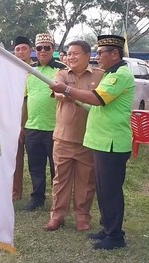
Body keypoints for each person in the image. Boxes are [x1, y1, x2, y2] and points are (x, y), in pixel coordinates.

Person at [51, 34, 135, 250]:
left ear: (114, 54)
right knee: (103, 189)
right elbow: (96, 106)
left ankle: (115, 236)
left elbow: (97, 99)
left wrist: (68, 90)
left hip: (112, 142)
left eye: (101, 53)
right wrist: (75, 98)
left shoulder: (120, 75)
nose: (98, 57)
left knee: (111, 191)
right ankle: (107, 228)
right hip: (102, 142)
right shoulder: (110, 74)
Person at [44, 40, 103, 232]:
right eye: (69, 54)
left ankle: (82, 218)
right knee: (60, 180)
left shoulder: (100, 75)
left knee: (86, 181)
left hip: (88, 138)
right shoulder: (61, 74)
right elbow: (57, 91)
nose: (71, 57)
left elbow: (99, 99)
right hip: (63, 138)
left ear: (88, 55)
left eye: (75, 53)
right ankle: (57, 216)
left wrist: (70, 93)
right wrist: (82, 95)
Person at [23, 32, 66, 211]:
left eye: (46, 48)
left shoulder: (62, 70)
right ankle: (37, 197)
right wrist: (21, 125)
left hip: (55, 127)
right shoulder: (30, 71)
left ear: (53, 49)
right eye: (39, 48)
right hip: (32, 126)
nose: (42, 51)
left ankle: (59, 200)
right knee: (35, 165)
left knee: (57, 168)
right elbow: (25, 99)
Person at [12, 35, 33, 201]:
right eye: (17, 49)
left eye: (24, 48)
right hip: (15, 117)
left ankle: (37, 194)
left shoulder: (37, 70)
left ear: (30, 50)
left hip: (34, 118)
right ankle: (15, 191)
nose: (21, 52)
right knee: (15, 157)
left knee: (36, 160)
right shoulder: (10, 71)